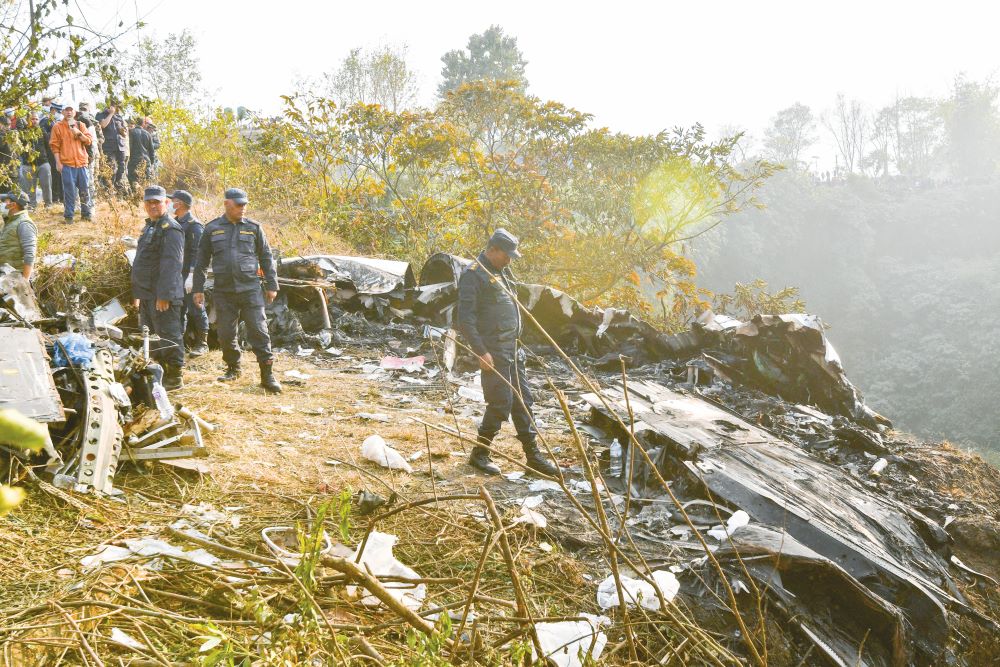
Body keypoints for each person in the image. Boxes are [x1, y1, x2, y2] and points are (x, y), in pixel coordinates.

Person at [457, 229, 559, 476]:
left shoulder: (501, 272)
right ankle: (480, 454)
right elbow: (465, 319)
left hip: (513, 349)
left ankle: (533, 457)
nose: (509, 260)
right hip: (493, 350)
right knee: (501, 402)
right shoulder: (473, 276)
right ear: (492, 250)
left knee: (523, 402)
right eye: (506, 255)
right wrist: (481, 351)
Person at [192, 188, 281, 394]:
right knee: (225, 334)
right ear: (226, 204)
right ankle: (233, 368)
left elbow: (266, 257)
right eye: (238, 205)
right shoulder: (212, 228)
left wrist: (272, 285)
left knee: (259, 331)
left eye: (244, 205)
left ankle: (267, 375)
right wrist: (198, 289)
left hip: (250, 289)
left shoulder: (254, 228)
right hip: (224, 291)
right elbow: (201, 262)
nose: (242, 208)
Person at [131, 185, 185, 390]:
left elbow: (172, 265)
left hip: (162, 295)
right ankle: (158, 373)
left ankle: (175, 376)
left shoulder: (171, 229)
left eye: (157, 202)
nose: (153, 205)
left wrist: (164, 296)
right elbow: (142, 263)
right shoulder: (149, 227)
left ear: (167, 203)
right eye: (149, 202)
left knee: (168, 334)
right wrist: (138, 294)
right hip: (146, 294)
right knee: (151, 336)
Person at [171, 189, 208, 356]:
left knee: (196, 308)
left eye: (173, 201)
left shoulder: (195, 226)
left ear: (180, 204)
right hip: (177, 274)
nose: (171, 204)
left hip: (190, 275)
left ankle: (203, 343)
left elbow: (198, 253)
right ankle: (178, 343)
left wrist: (192, 276)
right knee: (179, 309)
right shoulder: (175, 223)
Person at [48, 104, 93, 223]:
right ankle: (69, 217)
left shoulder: (80, 125)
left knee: (84, 190)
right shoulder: (57, 126)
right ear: (62, 112)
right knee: (69, 192)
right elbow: (54, 147)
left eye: (71, 110)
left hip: (82, 163)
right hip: (67, 164)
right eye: (66, 110)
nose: (68, 112)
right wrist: (58, 163)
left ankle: (86, 214)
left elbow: (88, 141)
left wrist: (77, 132)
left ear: (74, 112)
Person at [0, 191, 37, 279]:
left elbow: (30, 254)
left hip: (15, 277)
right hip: (5, 274)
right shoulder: (10, 222)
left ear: (13, 205)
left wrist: (24, 282)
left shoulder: (24, 224)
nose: (2, 203)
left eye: (5, 201)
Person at [18, 113, 52, 208]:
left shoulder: (42, 131)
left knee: (46, 185)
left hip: (43, 162)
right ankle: (31, 205)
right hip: (28, 164)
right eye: (32, 119)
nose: (34, 121)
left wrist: (48, 161)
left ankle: (48, 204)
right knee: (29, 188)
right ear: (28, 120)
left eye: (36, 119)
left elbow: (48, 147)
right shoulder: (23, 132)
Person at [95, 102, 127, 193]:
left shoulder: (119, 117)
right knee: (110, 168)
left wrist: (122, 131)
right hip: (108, 147)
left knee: (121, 168)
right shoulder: (100, 115)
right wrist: (111, 114)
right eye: (112, 105)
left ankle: (118, 189)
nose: (113, 107)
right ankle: (108, 189)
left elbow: (124, 134)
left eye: (115, 106)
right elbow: (103, 125)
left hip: (120, 146)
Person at [127, 117, 154, 191]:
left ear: (135, 123)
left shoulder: (131, 132)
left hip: (134, 161)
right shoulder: (148, 134)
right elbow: (152, 151)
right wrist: (151, 162)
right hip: (146, 161)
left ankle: (136, 198)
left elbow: (129, 147)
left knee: (134, 181)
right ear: (143, 124)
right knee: (145, 182)